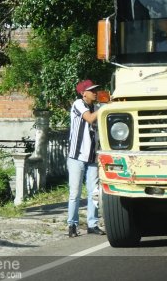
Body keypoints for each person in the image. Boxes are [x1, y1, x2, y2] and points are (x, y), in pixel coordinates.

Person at [67, 79, 105, 237]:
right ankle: (72, 225)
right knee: (75, 193)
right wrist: (106, 107)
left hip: (92, 157)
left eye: (96, 90)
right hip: (76, 157)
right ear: (84, 93)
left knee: (94, 192)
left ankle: (92, 224)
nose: (95, 93)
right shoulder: (78, 104)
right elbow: (90, 118)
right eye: (92, 91)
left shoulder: (97, 107)